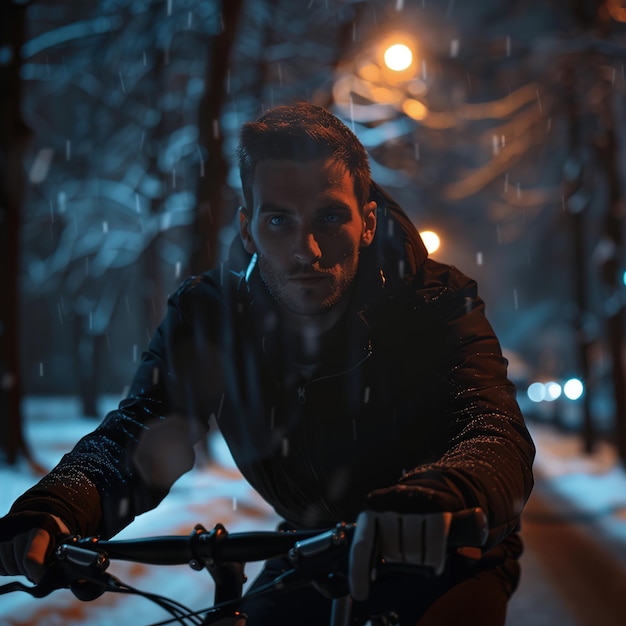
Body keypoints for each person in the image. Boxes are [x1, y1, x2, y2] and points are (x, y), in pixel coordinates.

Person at [0, 103, 534, 625]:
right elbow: (140, 431)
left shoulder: (434, 300)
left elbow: (492, 430)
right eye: (279, 220)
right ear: (249, 229)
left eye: (329, 217)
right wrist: (59, 506)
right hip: (311, 547)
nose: (306, 250)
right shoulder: (210, 315)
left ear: (367, 222)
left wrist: (446, 492)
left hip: (447, 550)